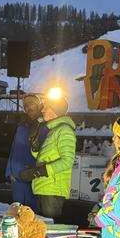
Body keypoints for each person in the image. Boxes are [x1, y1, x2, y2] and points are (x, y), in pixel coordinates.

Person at [19, 90, 76, 221]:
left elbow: (67, 161)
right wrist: (35, 146)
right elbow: (46, 157)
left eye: (46, 107)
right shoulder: (54, 130)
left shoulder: (65, 130)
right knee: (42, 227)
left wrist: (39, 171)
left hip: (53, 190)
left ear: (54, 110)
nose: (42, 110)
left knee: (49, 229)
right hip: (45, 187)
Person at [6, 94, 48, 212]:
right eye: (26, 105)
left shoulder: (46, 126)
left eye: (32, 104)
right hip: (17, 177)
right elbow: (13, 149)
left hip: (33, 176)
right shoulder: (21, 127)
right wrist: (9, 171)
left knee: (32, 213)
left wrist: (36, 171)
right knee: (17, 212)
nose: (29, 107)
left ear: (39, 106)